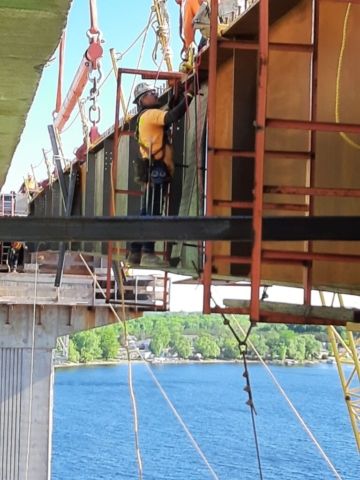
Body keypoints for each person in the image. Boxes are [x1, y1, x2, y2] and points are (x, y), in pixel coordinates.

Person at [128, 81, 195, 268]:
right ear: (143, 99)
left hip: (150, 169)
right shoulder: (150, 114)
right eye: (152, 93)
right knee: (153, 213)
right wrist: (189, 96)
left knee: (145, 212)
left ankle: (135, 252)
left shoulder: (144, 116)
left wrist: (179, 96)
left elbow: (167, 115)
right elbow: (172, 116)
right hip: (156, 170)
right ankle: (148, 253)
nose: (156, 95)